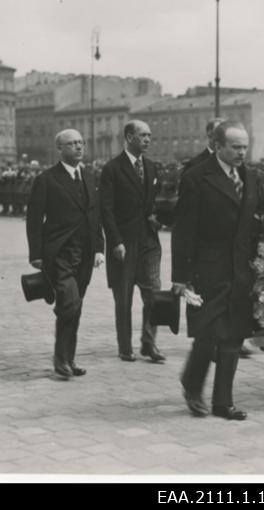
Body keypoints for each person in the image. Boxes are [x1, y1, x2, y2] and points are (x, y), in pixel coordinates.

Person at [172, 120, 258, 420]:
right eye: (235, 147)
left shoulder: (250, 176)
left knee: (233, 335)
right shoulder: (197, 177)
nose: (241, 152)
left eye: (245, 146)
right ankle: (192, 386)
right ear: (218, 146)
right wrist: (181, 278)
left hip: (240, 269)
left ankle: (223, 402)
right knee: (208, 335)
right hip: (207, 270)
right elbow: (183, 231)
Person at [26, 129, 105, 378]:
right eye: (72, 144)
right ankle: (61, 360)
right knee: (69, 303)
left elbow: (95, 214)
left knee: (75, 305)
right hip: (59, 251)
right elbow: (34, 218)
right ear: (60, 149)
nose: (79, 147)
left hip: (85, 252)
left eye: (81, 143)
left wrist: (100, 247)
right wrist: (36, 253)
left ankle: (69, 358)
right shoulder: (47, 179)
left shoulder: (89, 176)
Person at [100, 120, 165, 363]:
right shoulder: (112, 169)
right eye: (143, 135)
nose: (148, 139)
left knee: (154, 293)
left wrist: (156, 217)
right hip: (124, 243)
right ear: (129, 137)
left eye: (149, 135)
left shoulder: (151, 167)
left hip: (148, 240)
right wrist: (115, 241)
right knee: (124, 296)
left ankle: (149, 343)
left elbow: (152, 202)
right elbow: (106, 210)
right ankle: (125, 346)